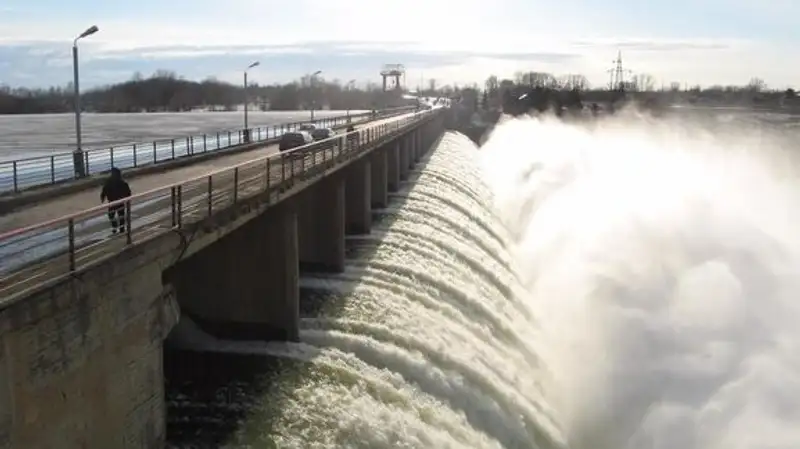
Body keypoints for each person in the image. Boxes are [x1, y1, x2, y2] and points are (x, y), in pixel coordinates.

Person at [100, 167, 132, 234]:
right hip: (119, 201)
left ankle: (116, 227)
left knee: (112, 215)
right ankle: (121, 228)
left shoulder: (109, 181)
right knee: (120, 216)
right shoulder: (121, 182)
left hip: (113, 202)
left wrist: (103, 197)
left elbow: (104, 190)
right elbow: (128, 192)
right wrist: (127, 199)